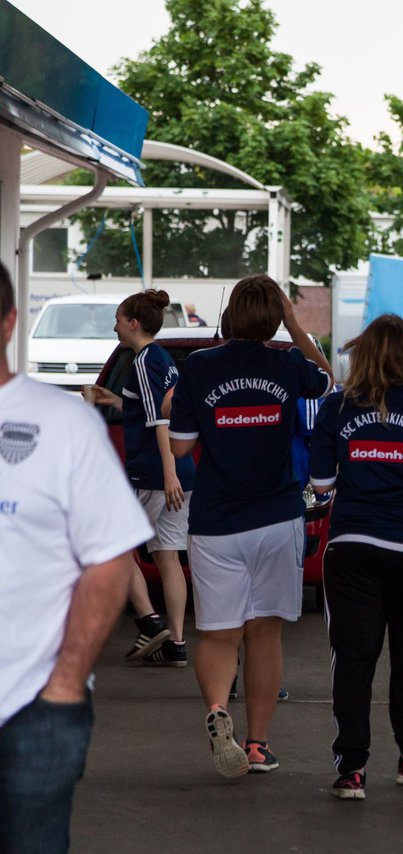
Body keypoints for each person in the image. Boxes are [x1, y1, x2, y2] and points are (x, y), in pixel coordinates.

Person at [0, 263, 154, 853]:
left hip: (32, 707)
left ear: (9, 323)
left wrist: (65, 682)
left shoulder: (61, 425)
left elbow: (109, 560)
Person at [168, 274, 331, 778]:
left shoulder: (198, 366)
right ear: (275, 317)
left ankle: (219, 710)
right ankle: (258, 746)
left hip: (216, 521)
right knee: (264, 635)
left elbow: (178, 447)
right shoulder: (286, 363)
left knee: (219, 636)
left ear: (230, 314)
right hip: (276, 518)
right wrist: (294, 324)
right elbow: (327, 380)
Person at [309, 314, 403, 800]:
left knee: (353, 659)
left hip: (353, 546)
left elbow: (322, 485)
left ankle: (351, 770)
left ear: (363, 355)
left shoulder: (334, 410)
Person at [88, 290, 197, 667]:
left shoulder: (142, 362)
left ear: (134, 323)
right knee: (167, 556)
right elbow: (151, 406)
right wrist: (116, 401)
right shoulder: (162, 357)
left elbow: (161, 421)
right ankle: (177, 644)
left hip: (154, 473)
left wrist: (167, 474)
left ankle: (150, 622)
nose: (115, 327)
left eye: (118, 320)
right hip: (181, 474)